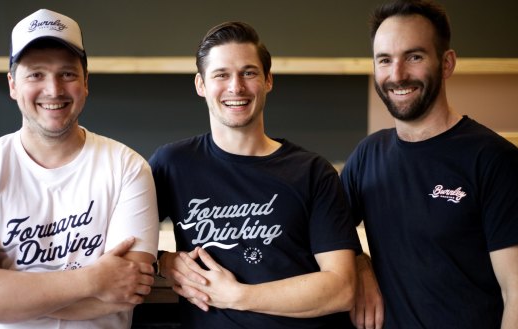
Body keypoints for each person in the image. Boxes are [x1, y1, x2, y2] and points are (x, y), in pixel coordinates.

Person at [0, 9, 159, 328]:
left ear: (85, 82)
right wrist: (93, 280)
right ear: (13, 84)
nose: (53, 90)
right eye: (36, 74)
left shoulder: (127, 168)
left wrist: (8, 295)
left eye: (67, 74)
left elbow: (127, 289)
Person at [149, 21, 360, 328]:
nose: (236, 87)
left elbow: (342, 289)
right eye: (221, 74)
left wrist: (237, 296)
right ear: (201, 85)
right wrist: (164, 261)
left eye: (248, 73)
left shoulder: (312, 172)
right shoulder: (173, 164)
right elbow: (118, 241)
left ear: (268, 81)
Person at [340, 1, 518, 328]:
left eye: (414, 57)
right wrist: (360, 263)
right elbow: (325, 232)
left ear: (446, 63)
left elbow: (516, 293)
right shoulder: (368, 155)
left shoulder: (494, 159)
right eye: (385, 60)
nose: (397, 74)